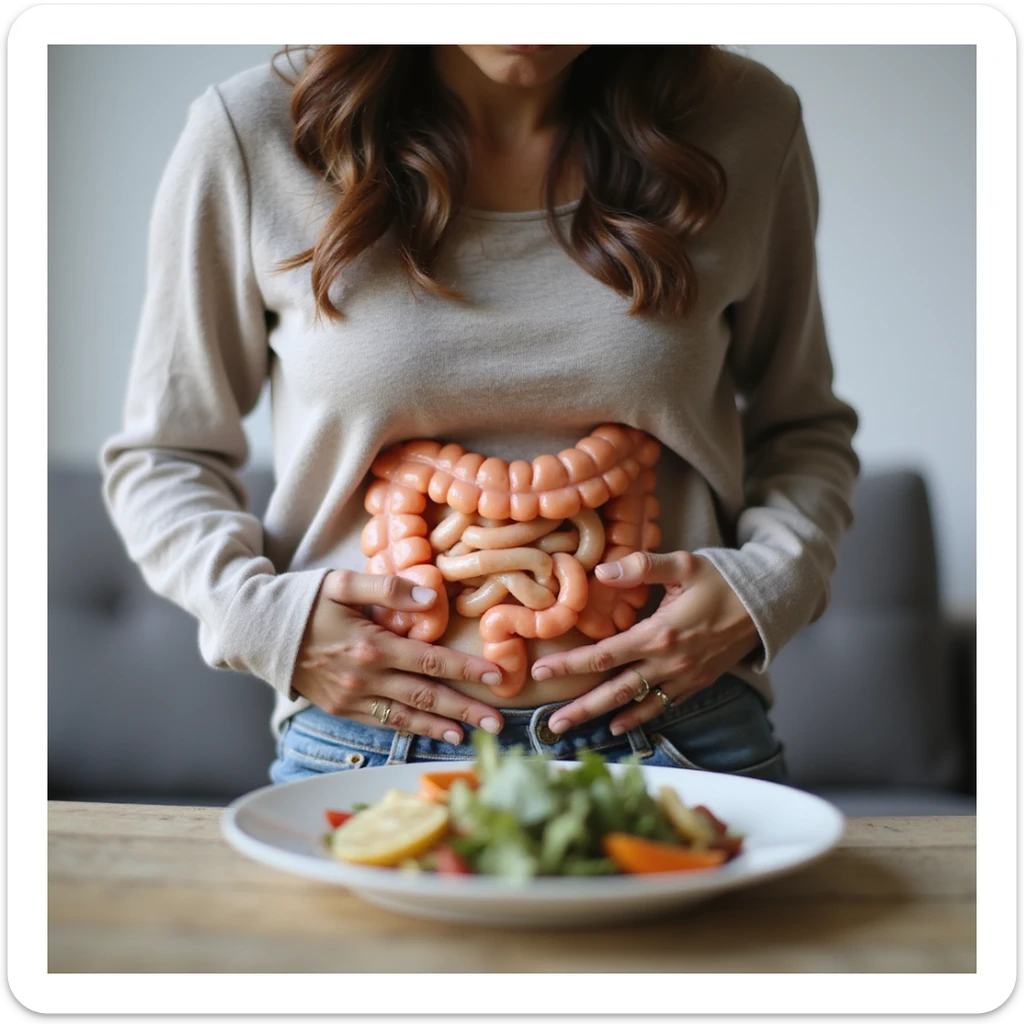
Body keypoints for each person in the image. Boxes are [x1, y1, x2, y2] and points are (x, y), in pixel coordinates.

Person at [101, 44, 859, 786]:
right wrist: (267, 624)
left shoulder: (747, 121)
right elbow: (166, 456)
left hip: (682, 730)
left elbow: (802, 427)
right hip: (367, 746)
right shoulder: (252, 130)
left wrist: (768, 586)